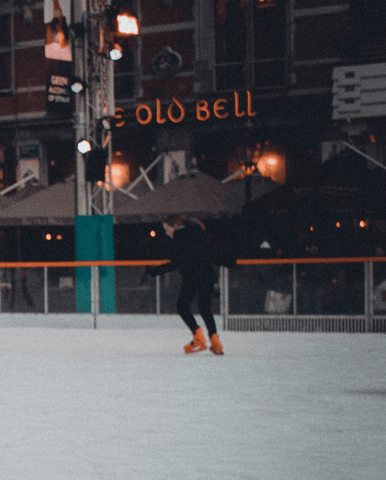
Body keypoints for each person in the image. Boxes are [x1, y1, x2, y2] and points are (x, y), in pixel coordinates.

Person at [147, 215, 224, 355]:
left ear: (174, 226)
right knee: (204, 307)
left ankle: (198, 337)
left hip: (193, 277)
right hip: (207, 275)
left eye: (167, 229)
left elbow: (175, 263)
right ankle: (215, 341)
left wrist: (154, 271)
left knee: (182, 306)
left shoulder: (179, 238)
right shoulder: (197, 233)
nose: (166, 232)